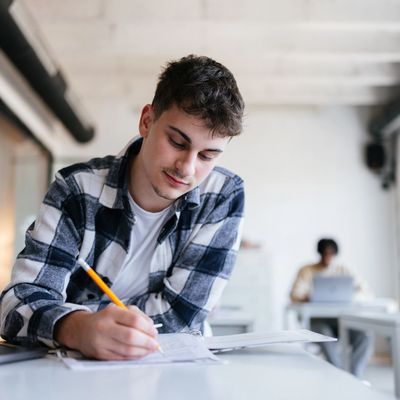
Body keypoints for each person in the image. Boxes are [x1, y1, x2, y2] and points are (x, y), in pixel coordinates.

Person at [0, 55, 245, 361]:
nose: (187, 168)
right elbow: (16, 304)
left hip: (173, 367)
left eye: (207, 156)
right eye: (177, 142)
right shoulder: (76, 190)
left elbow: (184, 318)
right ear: (147, 121)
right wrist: (78, 328)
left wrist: (70, 318)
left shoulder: (223, 195)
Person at [290, 238, 373, 378]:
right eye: (324, 253)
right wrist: (308, 297)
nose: (328, 257)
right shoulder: (307, 270)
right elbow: (294, 294)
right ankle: (339, 374)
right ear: (319, 253)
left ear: (335, 254)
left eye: (331, 253)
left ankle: (355, 376)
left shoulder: (345, 270)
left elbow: (366, 292)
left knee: (363, 336)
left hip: (343, 319)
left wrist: (348, 296)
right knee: (324, 334)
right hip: (317, 320)